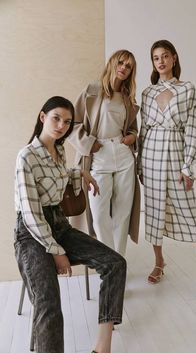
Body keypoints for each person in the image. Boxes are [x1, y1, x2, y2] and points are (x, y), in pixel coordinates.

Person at [14, 96, 127, 353]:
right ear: (42, 117)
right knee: (48, 303)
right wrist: (57, 251)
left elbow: (57, 176)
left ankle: (103, 347)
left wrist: (79, 172)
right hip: (31, 234)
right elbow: (31, 214)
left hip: (59, 225)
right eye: (56, 118)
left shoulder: (60, 150)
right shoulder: (26, 157)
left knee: (115, 263)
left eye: (67, 121)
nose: (61, 125)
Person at [138, 39, 196, 298]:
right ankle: (159, 262)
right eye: (155, 58)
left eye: (164, 56)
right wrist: (139, 164)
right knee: (153, 212)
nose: (160, 61)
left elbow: (192, 130)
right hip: (150, 158)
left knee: (190, 213)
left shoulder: (187, 90)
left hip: (174, 156)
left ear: (174, 58)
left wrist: (188, 167)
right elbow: (143, 130)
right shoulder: (148, 93)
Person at [68, 49, 140, 256]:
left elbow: (132, 127)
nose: (124, 68)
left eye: (129, 66)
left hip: (123, 155)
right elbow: (73, 123)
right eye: (121, 63)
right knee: (99, 214)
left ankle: (119, 264)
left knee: (122, 213)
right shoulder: (92, 90)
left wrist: (132, 137)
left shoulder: (128, 98)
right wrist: (90, 144)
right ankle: (109, 263)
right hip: (98, 156)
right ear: (112, 63)